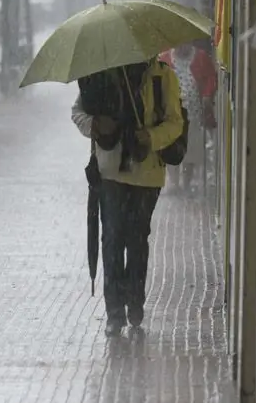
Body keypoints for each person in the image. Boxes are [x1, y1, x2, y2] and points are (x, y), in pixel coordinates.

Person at [72, 60, 183, 336]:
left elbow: (175, 121)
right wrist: (95, 124)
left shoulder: (162, 76)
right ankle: (114, 313)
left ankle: (135, 301)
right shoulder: (103, 73)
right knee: (111, 239)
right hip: (110, 173)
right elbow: (78, 112)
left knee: (136, 239)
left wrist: (151, 137)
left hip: (147, 175)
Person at [165, 41, 217, 192]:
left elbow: (211, 79)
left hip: (193, 114)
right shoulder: (164, 60)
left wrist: (207, 96)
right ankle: (174, 182)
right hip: (171, 114)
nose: (181, 47)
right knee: (171, 146)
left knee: (190, 149)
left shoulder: (200, 57)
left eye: (184, 43)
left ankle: (186, 183)